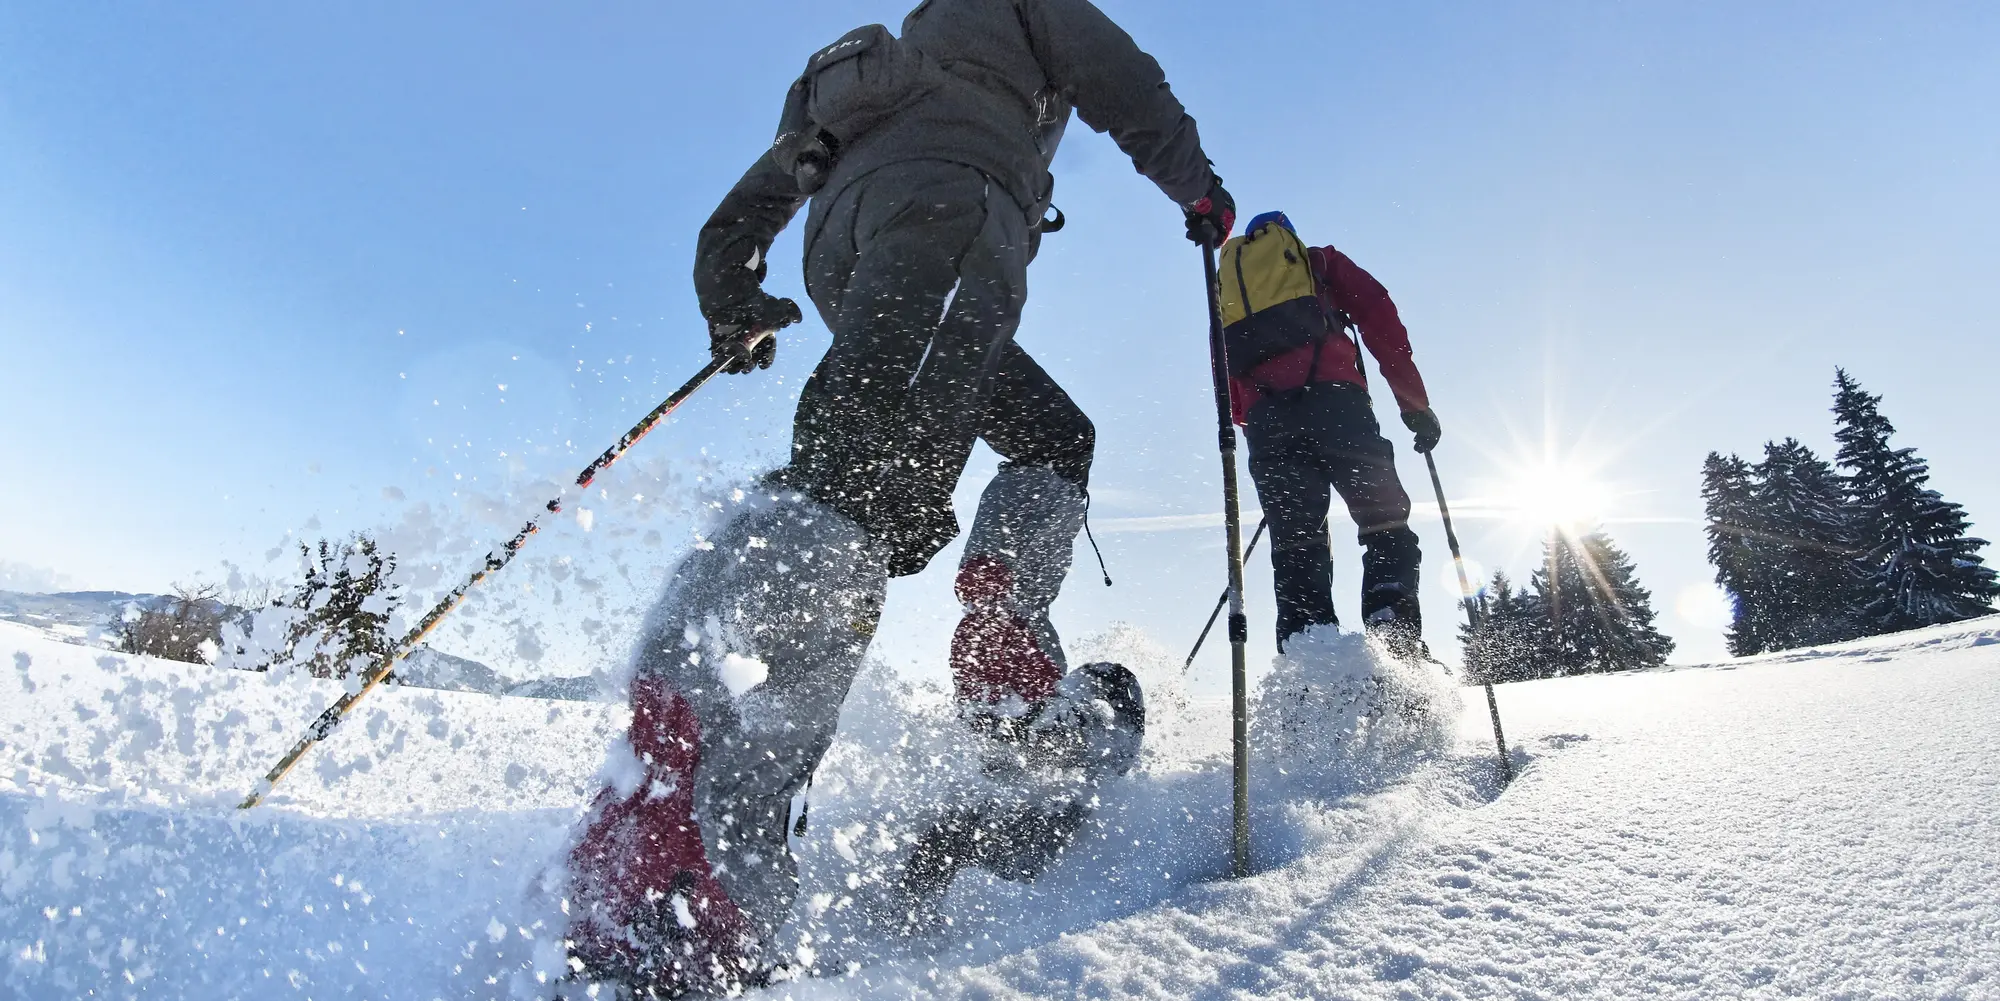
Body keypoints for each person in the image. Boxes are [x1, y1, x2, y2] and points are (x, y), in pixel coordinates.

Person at [562, 1, 1234, 993]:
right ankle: (689, 838)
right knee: (858, 487)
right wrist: (1198, 191)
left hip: (854, 250)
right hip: (952, 213)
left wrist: (732, 301)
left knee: (1048, 436)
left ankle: (999, 639)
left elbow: (735, 218)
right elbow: (1118, 75)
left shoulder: (871, 72)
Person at [1226, 211, 1439, 655]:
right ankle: (1394, 643)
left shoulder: (1228, 290)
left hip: (1268, 426)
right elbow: (1380, 319)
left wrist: (1257, 431)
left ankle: (1309, 662)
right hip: (1338, 406)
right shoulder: (1319, 263)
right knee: (1384, 520)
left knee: (1296, 543)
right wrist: (1414, 405)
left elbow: (1224, 367)